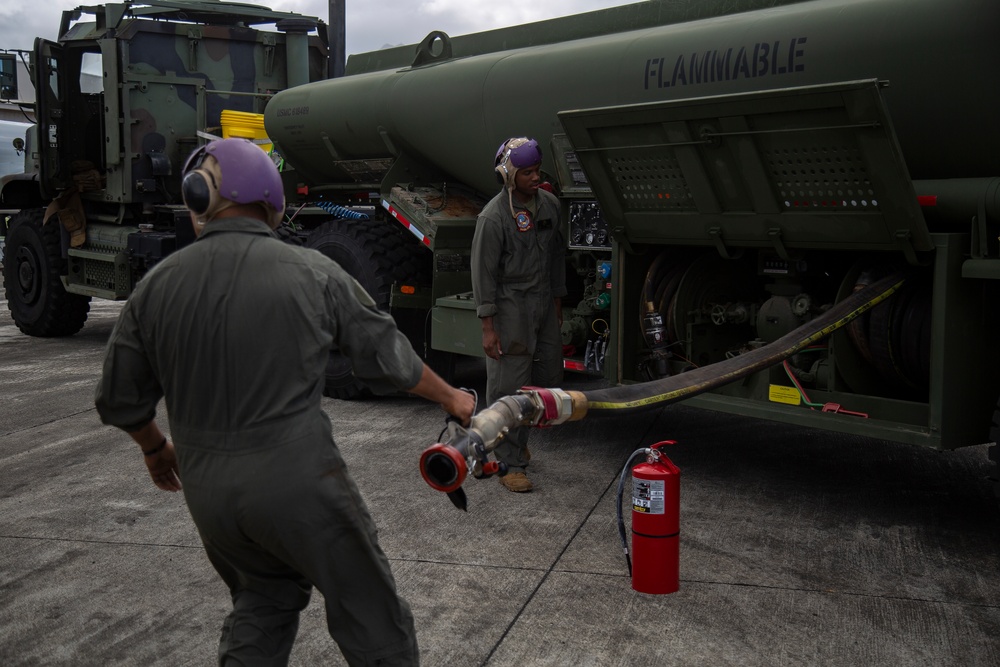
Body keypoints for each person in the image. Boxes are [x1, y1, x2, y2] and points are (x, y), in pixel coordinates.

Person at [94, 138, 475, 666]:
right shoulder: (313, 271)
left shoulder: (155, 287)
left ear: (201, 200)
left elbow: (116, 399)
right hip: (299, 483)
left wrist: (155, 448)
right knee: (369, 610)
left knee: (263, 599)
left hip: (208, 496)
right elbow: (391, 361)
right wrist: (454, 397)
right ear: (269, 199)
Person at [470, 137, 567, 493]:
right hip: (510, 305)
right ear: (508, 175)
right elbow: (483, 274)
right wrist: (488, 327)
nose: (534, 177)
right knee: (508, 387)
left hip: (542, 302)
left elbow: (557, 257)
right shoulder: (494, 217)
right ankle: (508, 463)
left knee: (546, 379)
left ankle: (516, 441)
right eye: (526, 172)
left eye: (537, 170)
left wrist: (557, 303)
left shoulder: (550, 206)